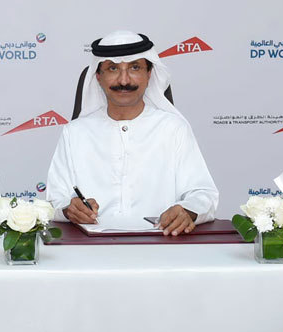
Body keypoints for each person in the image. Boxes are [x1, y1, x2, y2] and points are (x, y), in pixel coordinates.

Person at [46, 30, 218, 236]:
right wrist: (69, 209)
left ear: (149, 74)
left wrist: (187, 211)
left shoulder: (173, 128)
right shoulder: (75, 133)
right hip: (91, 247)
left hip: (161, 245)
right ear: (98, 76)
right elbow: (54, 201)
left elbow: (203, 194)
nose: (124, 80)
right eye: (113, 68)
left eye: (135, 67)